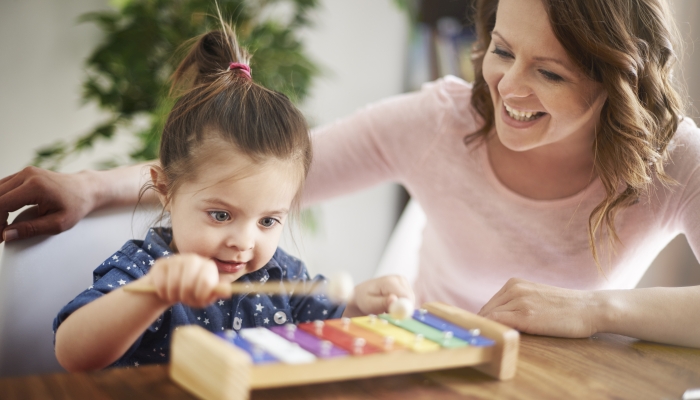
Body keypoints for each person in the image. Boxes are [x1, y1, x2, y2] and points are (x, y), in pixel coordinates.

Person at [2, 0, 700, 348]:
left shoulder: (676, 159)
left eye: (548, 72)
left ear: (620, 80)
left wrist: (594, 310)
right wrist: (92, 184)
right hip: (432, 364)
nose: (507, 89)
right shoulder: (438, 120)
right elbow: (252, 175)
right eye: (499, 50)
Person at [50, 22, 413, 372]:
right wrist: (152, 294)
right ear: (165, 191)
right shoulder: (144, 270)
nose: (243, 242)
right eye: (221, 215)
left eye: (268, 221)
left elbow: (330, 330)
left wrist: (357, 305)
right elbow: (72, 352)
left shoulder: (281, 275)